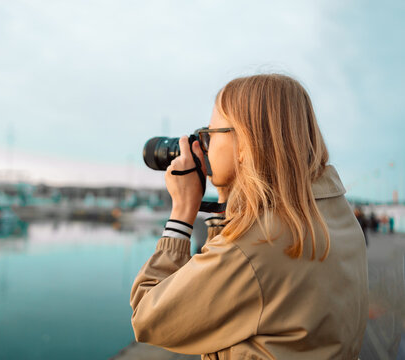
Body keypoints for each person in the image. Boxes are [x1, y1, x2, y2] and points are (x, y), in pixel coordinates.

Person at [130, 74, 368, 359]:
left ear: (245, 144)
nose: (203, 146)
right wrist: (227, 191)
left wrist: (182, 212)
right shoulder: (335, 214)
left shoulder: (258, 243)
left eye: (209, 134)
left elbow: (148, 319)